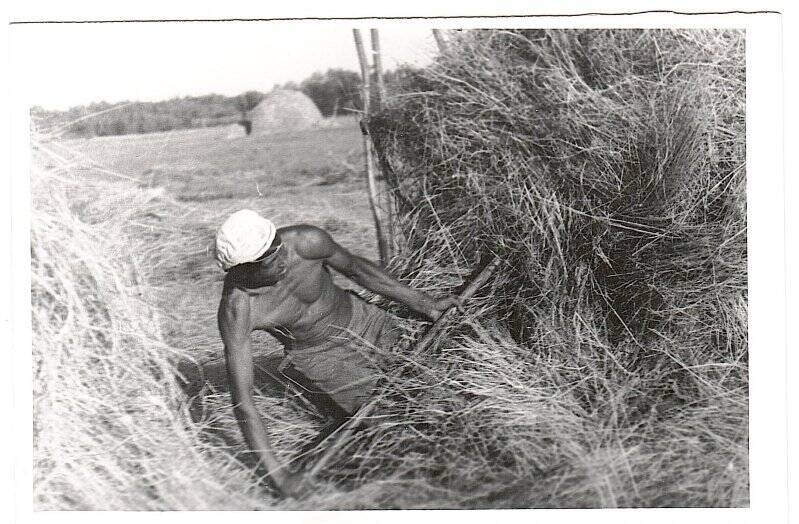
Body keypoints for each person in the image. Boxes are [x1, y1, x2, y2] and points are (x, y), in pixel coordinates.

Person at [215, 209, 460, 498]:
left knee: (440, 374)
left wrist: (425, 304)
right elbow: (243, 401)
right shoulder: (238, 309)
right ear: (243, 269)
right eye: (270, 260)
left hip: (364, 319)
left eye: (278, 246)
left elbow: (356, 268)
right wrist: (279, 476)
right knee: (392, 419)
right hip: (321, 357)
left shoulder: (306, 241)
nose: (282, 258)